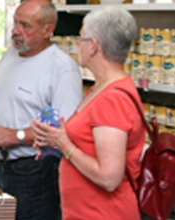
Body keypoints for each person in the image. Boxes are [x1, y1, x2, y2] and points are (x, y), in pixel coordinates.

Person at [31, 6, 144, 220]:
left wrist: (65, 145)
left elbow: (109, 177)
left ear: (93, 46)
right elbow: (88, 146)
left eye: (80, 39)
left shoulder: (113, 99)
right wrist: (54, 143)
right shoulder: (100, 88)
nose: (77, 46)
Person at [0, 0, 82, 219]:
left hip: (34, 172)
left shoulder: (62, 68)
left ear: (47, 30)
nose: (15, 31)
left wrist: (16, 136)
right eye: (15, 22)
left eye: (25, 25)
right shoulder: (9, 55)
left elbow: (64, 130)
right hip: (0, 165)